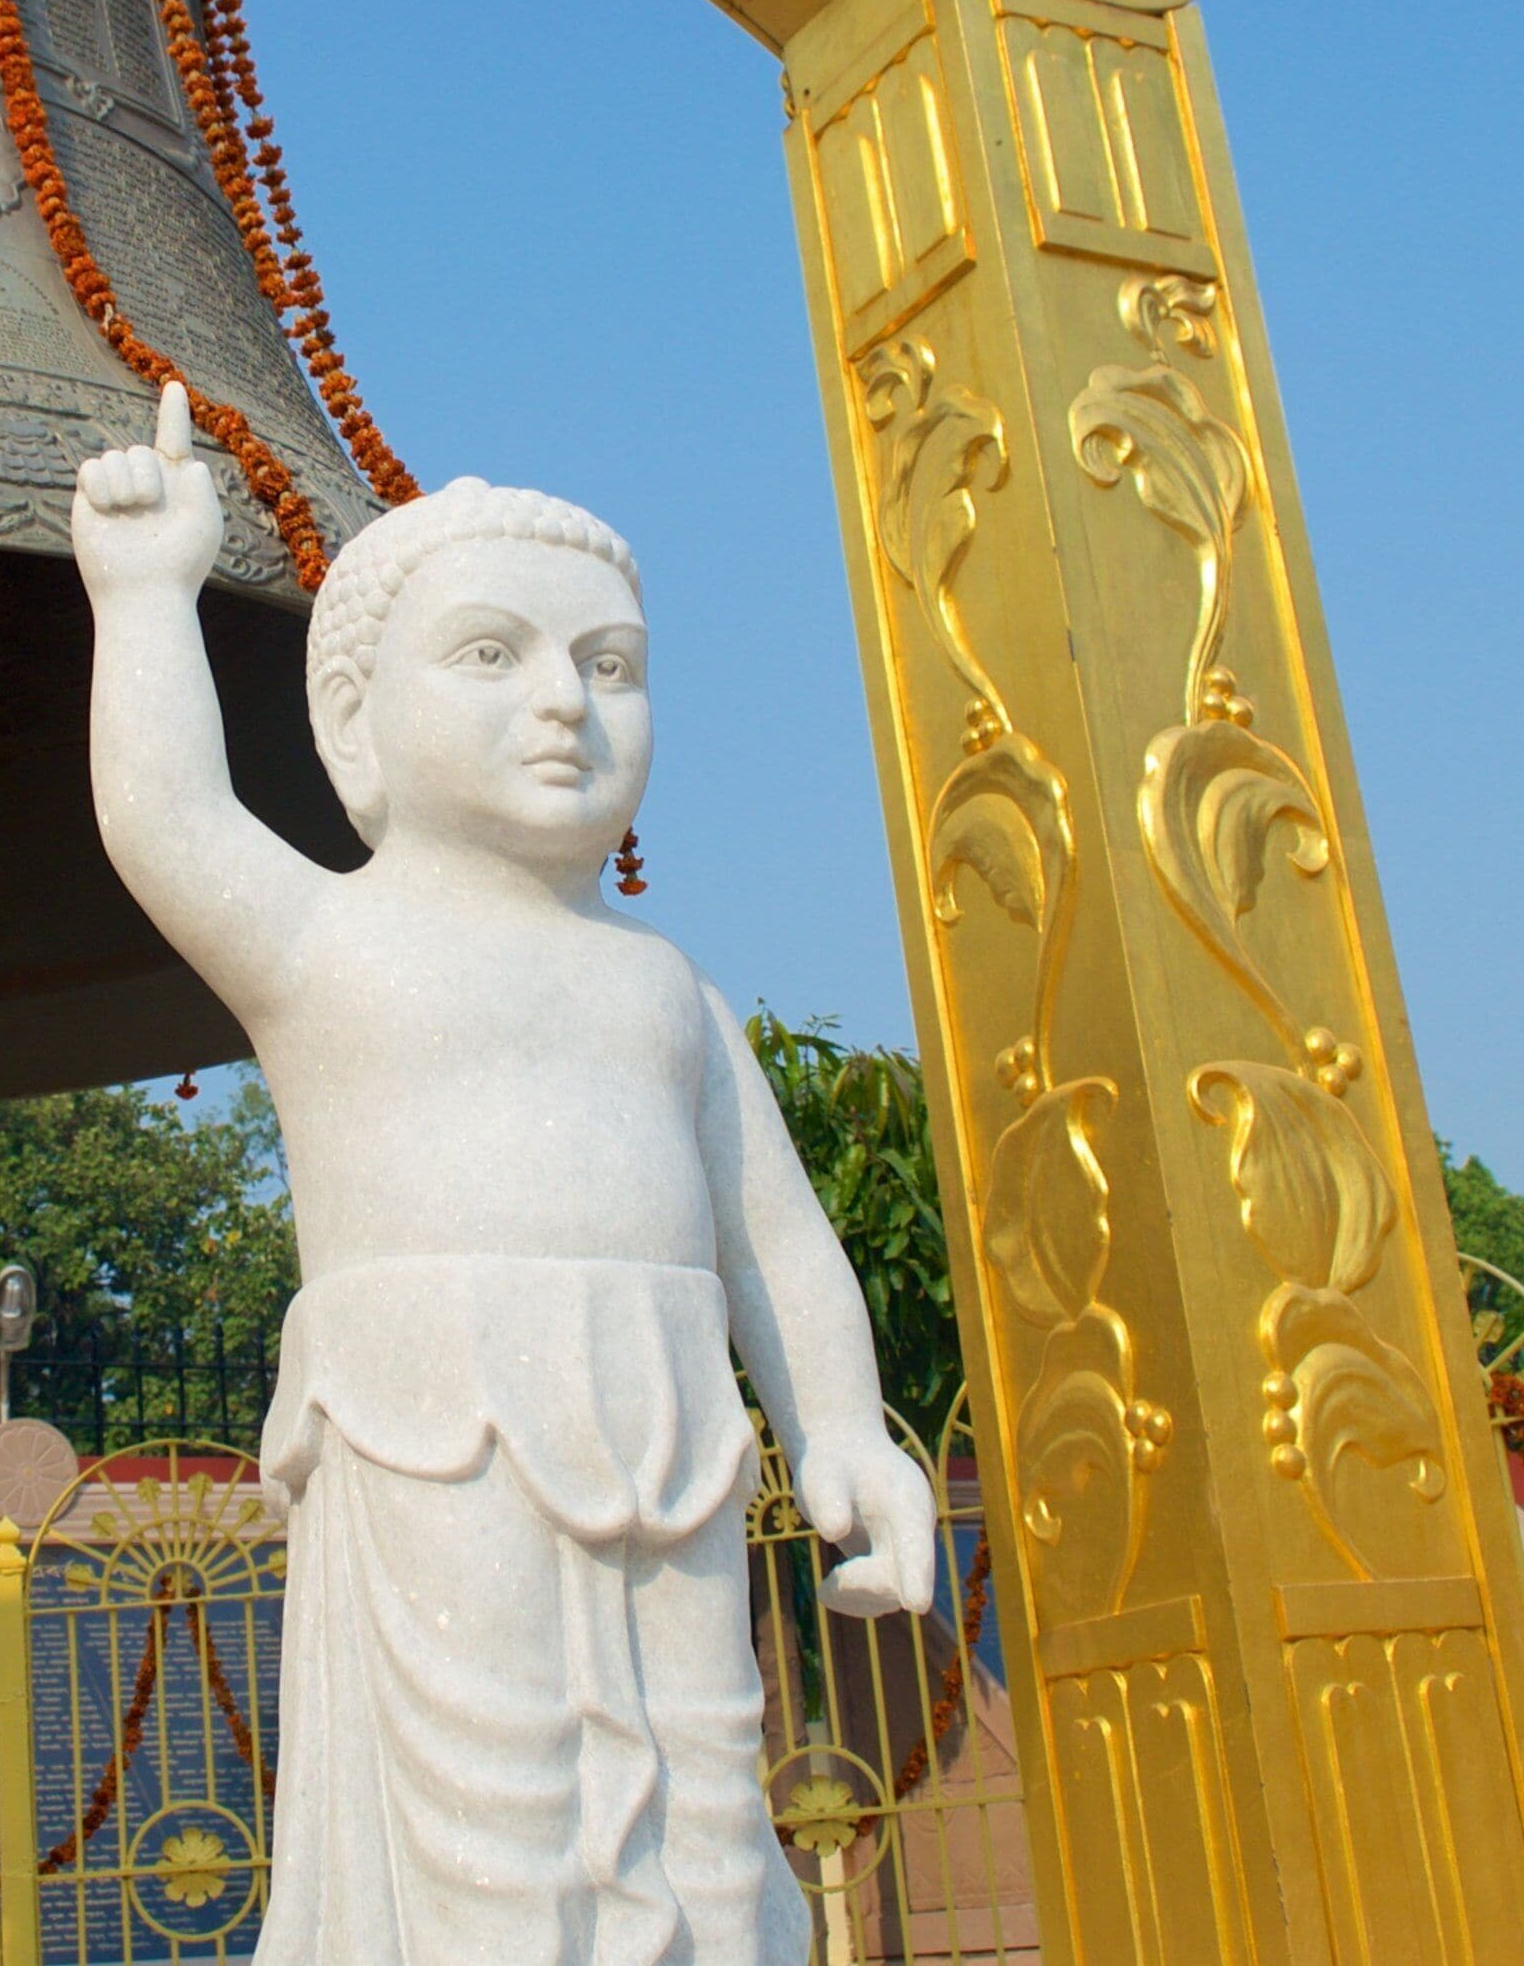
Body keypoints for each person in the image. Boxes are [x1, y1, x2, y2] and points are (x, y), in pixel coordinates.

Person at [72, 387, 939, 1966]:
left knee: (705, 1815)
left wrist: (839, 1431)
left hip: (668, 1434)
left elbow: (780, 1250)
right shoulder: (330, 943)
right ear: (354, 724)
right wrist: (143, 597)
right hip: (432, 1435)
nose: (568, 703)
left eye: (611, 666)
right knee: (493, 1832)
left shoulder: (666, 992)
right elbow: (167, 818)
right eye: (493, 654)